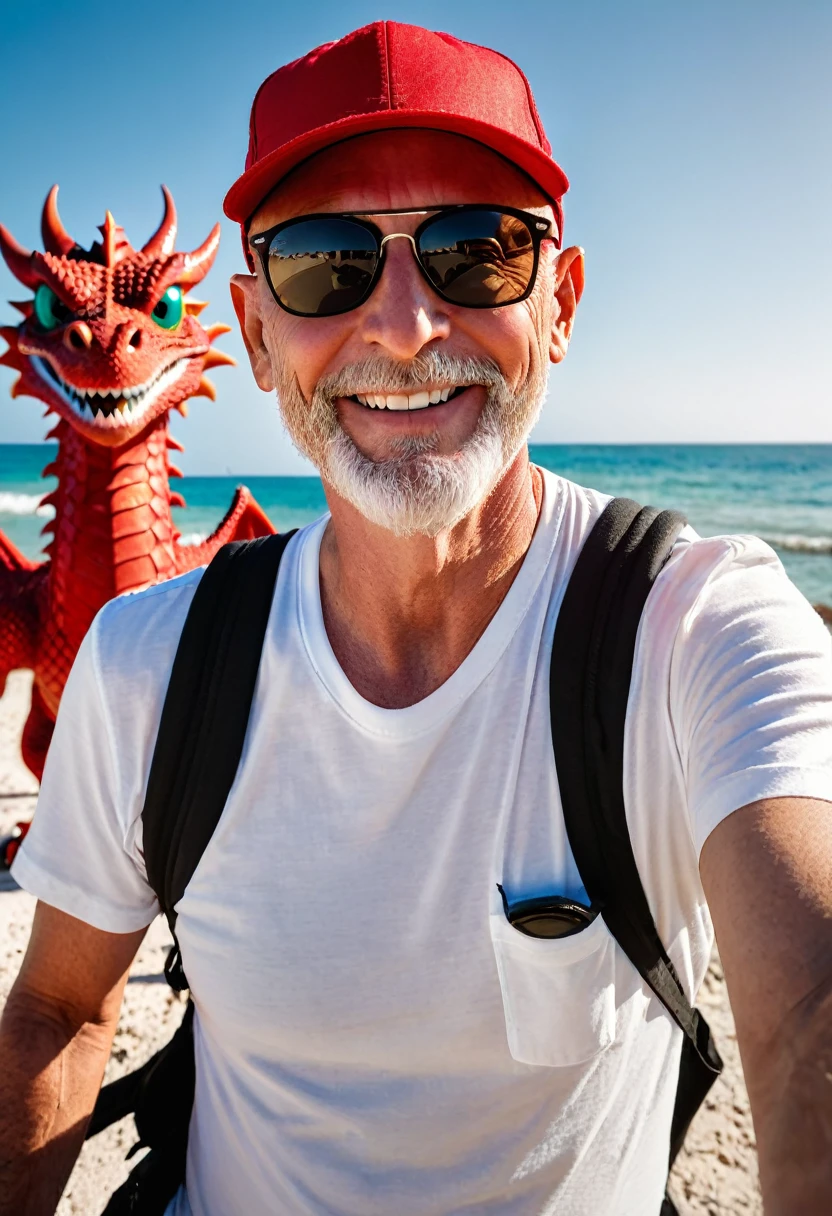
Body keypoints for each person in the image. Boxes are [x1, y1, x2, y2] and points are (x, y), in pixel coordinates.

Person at [1, 20, 831, 1216]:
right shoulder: (150, 663)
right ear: (255, 331)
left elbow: (809, 1001)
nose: (402, 326)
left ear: (560, 304)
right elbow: (58, 1008)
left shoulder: (697, 627)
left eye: (478, 252)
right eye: (323, 264)